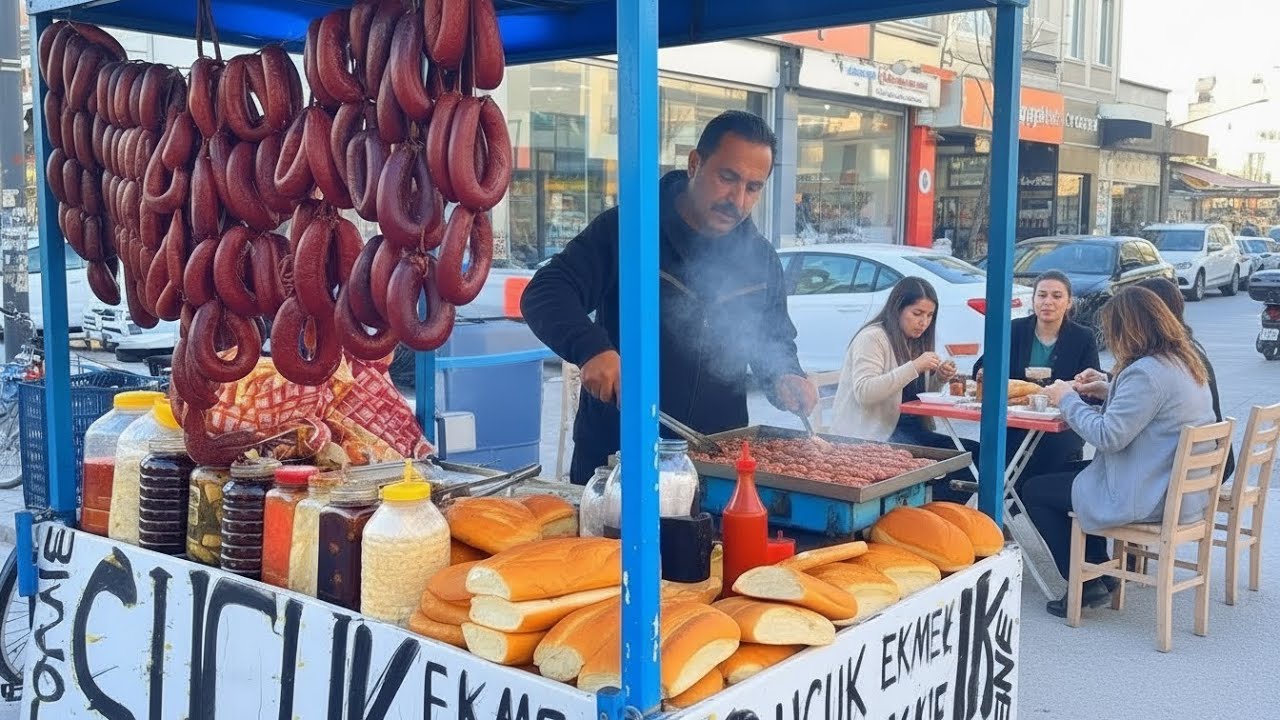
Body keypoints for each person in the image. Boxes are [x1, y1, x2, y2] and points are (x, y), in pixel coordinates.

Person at [521, 110, 818, 485]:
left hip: (717, 462)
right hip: (619, 458)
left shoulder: (761, 260)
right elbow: (546, 290)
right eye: (728, 178)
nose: (738, 199)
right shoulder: (628, 230)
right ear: (695, 164)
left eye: (753, 187)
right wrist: (591, 348)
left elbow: (773, 340)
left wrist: (785, 375)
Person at [1024, 286, 1216, 617]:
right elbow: (1150, 407)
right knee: (1062, 478)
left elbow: (1108, 436)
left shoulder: (1145, 372)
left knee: (1034, 489)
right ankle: (1097, 569)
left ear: (1127, 329)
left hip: (1147, 492)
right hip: (1172, 487)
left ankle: (1086, 581)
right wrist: (1107, 388)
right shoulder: (1181, 361)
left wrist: (1065, 398)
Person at [829, 277, 976, 502]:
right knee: (964, 459)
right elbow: (864, 392)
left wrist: (939, 378)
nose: (923, 323)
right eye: (917, 314)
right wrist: (915, 366)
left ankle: (933, 514)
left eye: (929, 316)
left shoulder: (916, 340)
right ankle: (921, 512)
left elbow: (915, 395)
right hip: (875, 435)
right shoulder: (873, 338)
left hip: (910, 431)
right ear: (897, 308)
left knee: (974, 454)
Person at [973, 271, 1099, 484]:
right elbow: (983, 368)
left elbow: (1091, 387)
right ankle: (1009, 501)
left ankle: (1026, 498)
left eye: (1057, 296)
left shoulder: (1083, 336)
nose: (1048, 302)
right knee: (994, 451)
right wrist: (984, 372)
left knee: (1049, 455)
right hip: (1015, 423)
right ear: (1033, 300)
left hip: (1059, 428)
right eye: (1042, 295)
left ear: (1069, 302)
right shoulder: (1014, 329)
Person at [1134, 276, 1235, 480]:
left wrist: (1070, 400)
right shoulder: (1188, 352)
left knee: (1064, 484)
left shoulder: (1162, 361)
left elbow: (1110, 435)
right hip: (1213, 459)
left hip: (1181, 472)